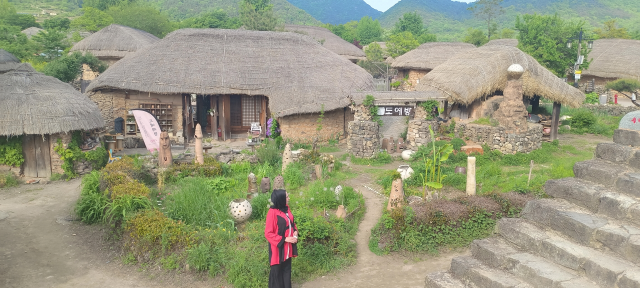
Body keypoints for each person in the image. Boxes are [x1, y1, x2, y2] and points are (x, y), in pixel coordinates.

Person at [265, 189, 298, 288]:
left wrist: (295, 231)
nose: (289, 198)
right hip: (278, 249)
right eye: (287, 197)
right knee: (277, 272)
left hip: (288, 248)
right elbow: (268, 233)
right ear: (281, 199)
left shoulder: (286, 208)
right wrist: (284, 239)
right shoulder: (272, 213)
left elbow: (291, 223)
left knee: (287, 270)